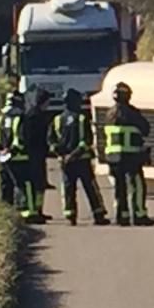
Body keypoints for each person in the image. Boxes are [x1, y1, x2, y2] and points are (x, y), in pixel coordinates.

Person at [49, 89, 110, 226]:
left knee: (68, 188)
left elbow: (51, 141)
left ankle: (71, 215)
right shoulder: (82, 119)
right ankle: (98, 214)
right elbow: (86, 141)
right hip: (82, 160)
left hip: (65, 161)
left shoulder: (57, 120)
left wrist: (62, 155)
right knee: (90, 188)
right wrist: (74, 154)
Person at [104, 82, 154, 226]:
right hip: (131, 156)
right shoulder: (133, 113)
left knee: (119, 187)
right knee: (137, 186)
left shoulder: (109, 114)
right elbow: (145, 129)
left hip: (113, 157)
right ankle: (139, 215)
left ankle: (122, 216)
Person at [0, 91, 46, 224]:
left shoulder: (0, 119)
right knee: (25, 185)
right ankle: (29, 213)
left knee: (6, 186)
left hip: (3, 159)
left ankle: (6, 213)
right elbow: (22, 139)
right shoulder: (21, 119)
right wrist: (12, 150)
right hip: (20, 158)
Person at [25, 88, 53, 222]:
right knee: (37, 183)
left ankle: (39, 210)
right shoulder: (36, 116)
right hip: (35, 154)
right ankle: (36, 211)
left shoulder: (33, 114)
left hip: (38, 154)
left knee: (40, 183)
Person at [0, 93, 16, 205]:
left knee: (5, 182)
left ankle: (5, 205)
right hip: (15, 156)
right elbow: (20, 139)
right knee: (15, 183)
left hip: (1, 156)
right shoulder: (18, 120)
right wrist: (8, 149)